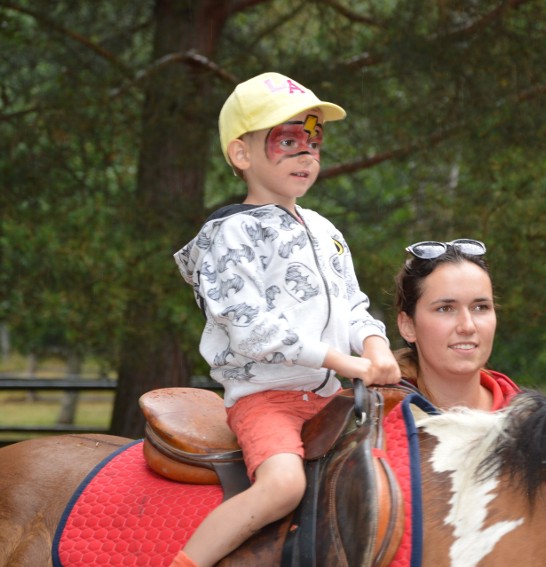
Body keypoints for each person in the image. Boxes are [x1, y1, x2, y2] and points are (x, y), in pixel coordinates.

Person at [170, 72, 400, 567]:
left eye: (314, 141)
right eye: (288, 141)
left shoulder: (323, 229)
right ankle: (187, 562)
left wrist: (375, 347)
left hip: (325, 397)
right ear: (241, 154)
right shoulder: (231, 234)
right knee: (283, 485)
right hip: (266, 398)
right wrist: (344, 361)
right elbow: (252, 328)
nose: (307, 154)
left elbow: (352, 303)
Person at [394, 239, 520, 411]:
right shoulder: (372, 423)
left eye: (480, 307)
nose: (468, 326)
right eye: (445, 309)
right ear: (408, 325)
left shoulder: (531, 421)